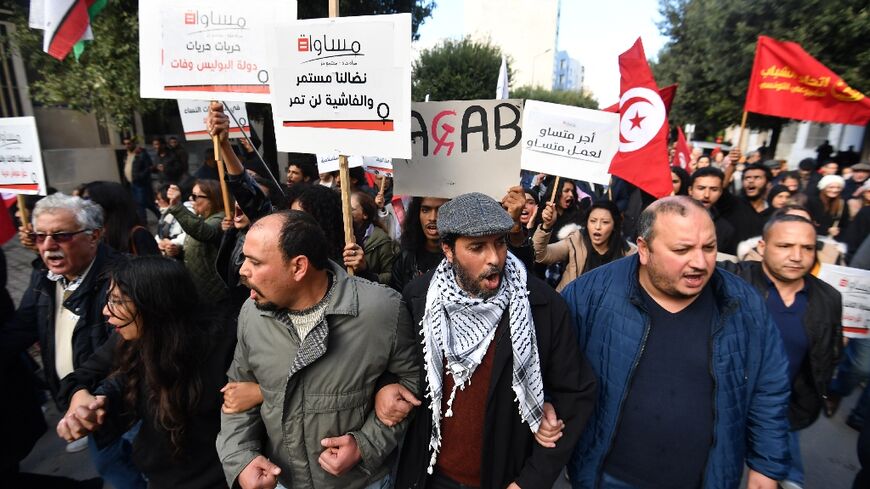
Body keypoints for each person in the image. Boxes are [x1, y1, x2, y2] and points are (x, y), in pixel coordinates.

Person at [562, 196, 791, 489]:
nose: (700, 263)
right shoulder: (589, 295)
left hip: (706, 479)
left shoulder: (744, 304)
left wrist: (766, 466)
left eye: (709, 247)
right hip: (606, 478)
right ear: (644, 249)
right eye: (682, 250)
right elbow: (556, 372)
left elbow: (769, 387)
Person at [391, 192, 597, 489]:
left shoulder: (542, 306)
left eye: (500, 242)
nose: (494, 258)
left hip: (504, 477)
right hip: (428, 475)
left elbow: (575, 394)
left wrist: (531, 480)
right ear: (448, 250)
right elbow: (399, 367)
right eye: (477, 247)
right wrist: (387, 387)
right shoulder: (419, 297)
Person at [216, 210, 419, 489]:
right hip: (281, 481)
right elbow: (237, 398)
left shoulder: (381, 309)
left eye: (255, 262)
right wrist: (241, 459)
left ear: (299, 267)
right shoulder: (252, 314)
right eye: (244, 258)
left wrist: (366, 444)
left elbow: (413, 381)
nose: (242, 270)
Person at [0, 193, 146, 488]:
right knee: (114, 471)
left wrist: (92, 396)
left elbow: (130, 352)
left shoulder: (124, 277)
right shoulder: (44, 277)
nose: (48, 245)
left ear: (94, 236)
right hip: (82, 409)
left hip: (125, 410)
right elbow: (21, 328)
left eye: (61, 235)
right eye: (40, 236)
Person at [56, 256, 235, 489]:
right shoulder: (129, 338)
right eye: (109, 299)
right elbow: (83, 376)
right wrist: (81, 397)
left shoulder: (222, 347)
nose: (106, 311)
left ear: (154, 305)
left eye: (118, 301)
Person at [720, 214, 842, 488]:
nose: (797, 256)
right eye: (785, 246)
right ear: (762, 247)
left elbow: (828, 356)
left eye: (807, 248)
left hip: (781, 413)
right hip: (722, 405)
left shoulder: (829, 299)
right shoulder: (731, 279)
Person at [533, 199, 634, 291]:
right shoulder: (575, 241)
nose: (597, 227)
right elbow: (539, 254)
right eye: (593, 221)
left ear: (614, 226)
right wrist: (546, 226)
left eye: (605, 222)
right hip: (570, 303)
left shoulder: (630, 253)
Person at [167, 180, 229, 301]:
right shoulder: (203, 218)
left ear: (212, 199)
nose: (191, 199)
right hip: (200, 291)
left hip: (216, 294)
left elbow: (203, 232)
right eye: (191, 195)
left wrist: (177, 206)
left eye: (195, 196)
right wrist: (178, 251)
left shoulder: (222, 219)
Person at [82, 181, 160, 256]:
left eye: (88, 200)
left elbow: (153, 264)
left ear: (106, 203)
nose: (84, 205)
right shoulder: (100, 235)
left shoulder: (138, 235)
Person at [390, 196, 450, 292]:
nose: (433, 218)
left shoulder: (461, 259)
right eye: (425, 210)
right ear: (417, 214)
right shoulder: (404, 259)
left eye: (441, 210)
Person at [347, 191, 398, 284]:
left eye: (351, 209)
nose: (347, 212)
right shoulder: (342, 235)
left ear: (365, 215)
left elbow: (390, 275)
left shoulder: (382, 240)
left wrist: (368, 275)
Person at [688, 166, 738, 255]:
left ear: (720, 193)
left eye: (714, 189)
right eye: (701, 188)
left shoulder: (725, 229)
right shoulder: (672, 219)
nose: (707, 195)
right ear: (690, 190)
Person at [122, 136, 158, 222]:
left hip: (141, 183)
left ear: (133, 143)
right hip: (132, 183)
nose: (127, 146)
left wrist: (139, 176)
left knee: (142, 204)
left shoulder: (141, 153)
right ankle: (154, 218)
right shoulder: (127, 155)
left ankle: (144, 222)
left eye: (129, 143)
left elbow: (149, 167)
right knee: (143, 204)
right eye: (125, 144)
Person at [807, 174, 850, 241]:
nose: (835, 190)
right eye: (831, 187)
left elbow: (845, 225)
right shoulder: (812, 202)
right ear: (823, 187)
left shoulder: (842, 204)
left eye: (838, 187)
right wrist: (826, 230)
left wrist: (838, 230)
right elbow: (806, 222)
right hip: (812, 237)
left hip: (832, 240)